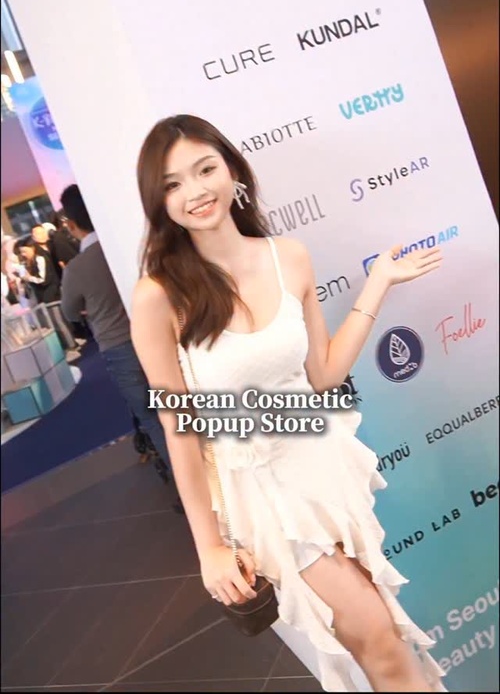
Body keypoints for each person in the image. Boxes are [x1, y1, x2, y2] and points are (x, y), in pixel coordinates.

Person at [130, 114, 446, 694]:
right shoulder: (158, 296)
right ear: (160, 201)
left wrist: (377, 283)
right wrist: (209, 547)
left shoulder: (288, 256)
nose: (195, 191)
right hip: (263, 492)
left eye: (205, 169)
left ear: (232, 170)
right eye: (173, 183)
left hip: (322, 467)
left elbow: (322, 376)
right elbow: (179, 429)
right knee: (380, 639)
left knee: (383, 639)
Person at [59, 184, 182, 511]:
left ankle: (191, 491)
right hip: (159, 332)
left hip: (118, 346)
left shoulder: (77, 269)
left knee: (153, 417)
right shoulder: (130, 246)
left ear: (71, 224)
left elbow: (70, 312)